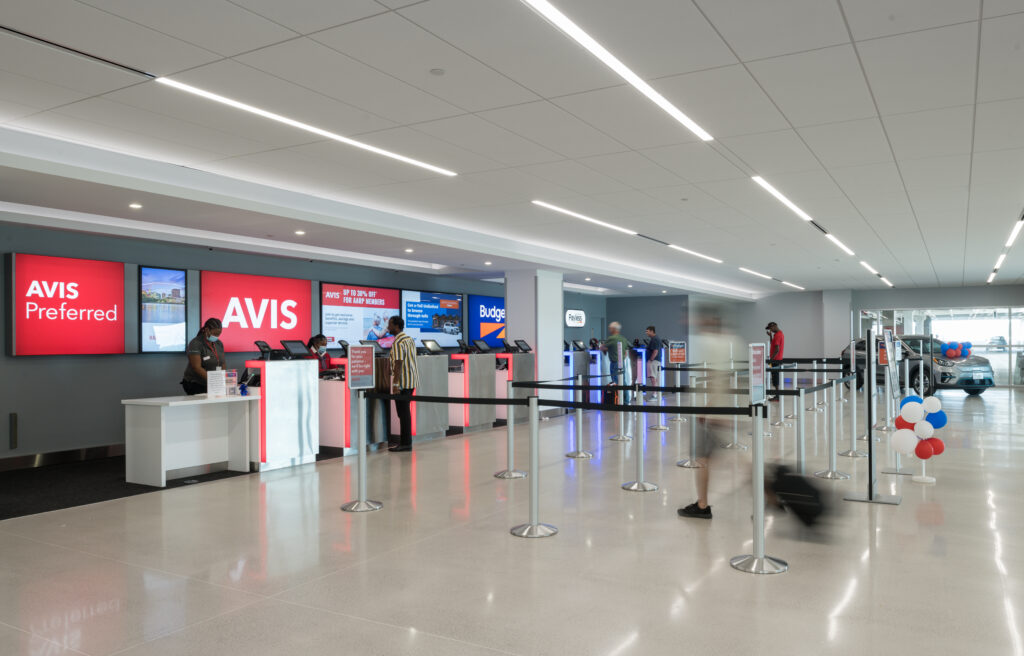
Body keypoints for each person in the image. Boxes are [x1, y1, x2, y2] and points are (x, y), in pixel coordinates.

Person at [678, 310, 738, 520]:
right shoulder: (727, 343)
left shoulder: (713, 347)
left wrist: (707, 408)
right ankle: (771, 498)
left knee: (704, 458)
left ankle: (702, 505)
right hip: (724, 411)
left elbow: (718, 380)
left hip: (716, 413)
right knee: (715, 458)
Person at [387, 315, 418, 452]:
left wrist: (395, 384)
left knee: (403, 413)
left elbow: (398, 363)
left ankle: (406, 443)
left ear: (396, 326)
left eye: (390, 324)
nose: (388, 327)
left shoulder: (398, 342)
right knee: (405, 413)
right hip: (411, 380)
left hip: (402, 383)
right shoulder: (409, 339)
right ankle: (406, 442)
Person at [181, 318, 225, 395]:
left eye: (219, 334)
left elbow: (222, 363)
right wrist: (213, 380)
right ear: (207, 330)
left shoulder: (219, 343)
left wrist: (222, 379)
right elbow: (196, 367)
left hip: (213, 384)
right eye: (215, 334)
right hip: (196, 384)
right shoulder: (195, 343)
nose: (217, 336)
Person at [602, 322, 632, 401]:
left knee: (616, 382)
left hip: (614, 363)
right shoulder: (623, 338)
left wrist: (606, 350)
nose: (609, 330)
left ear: (613, 329)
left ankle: (617, 400)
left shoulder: (611, 338)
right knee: (623, 382)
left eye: (610, 328)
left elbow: (602, 347)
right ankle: (626, 400)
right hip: (622, 363)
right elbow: (626, 353)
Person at [766, 322, 785, 400]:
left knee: (775, 377)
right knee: (774, 376)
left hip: (775, 360)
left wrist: (771, 360)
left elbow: (777, 349)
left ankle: (777, 397)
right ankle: (777, 396)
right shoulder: (779, 334)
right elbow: (772, 344)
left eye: (770, 328)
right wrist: (770, 336)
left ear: (774, 326)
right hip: (776, 359)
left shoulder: (777, 335)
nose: (770, 330)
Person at [645, 325, 662, 399]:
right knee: (655, 378)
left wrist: (650, 359)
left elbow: (655, 351)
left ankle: (654, 394)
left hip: (654, 361)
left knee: (653, 377)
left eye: (647, 331)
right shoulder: (656, 338)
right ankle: (656, 394)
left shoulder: (654, 339)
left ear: (652, 331)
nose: (646, 333)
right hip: (656, 361)